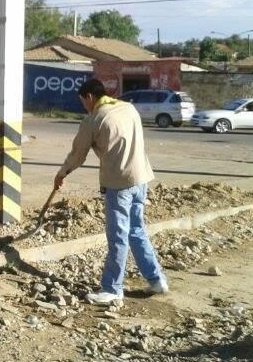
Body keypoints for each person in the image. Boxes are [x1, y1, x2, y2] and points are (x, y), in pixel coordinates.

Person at [55, 78, 168, 306]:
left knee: (118, 237)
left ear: (89, 97)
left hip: (119, 184)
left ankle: (112, 289)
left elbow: (78, 155)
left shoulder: (93, 119)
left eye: (83, 102)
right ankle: (157, 280)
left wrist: (62, 173)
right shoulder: (128, 108)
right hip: (141, 178)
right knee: (136, 230)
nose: (84, 106)